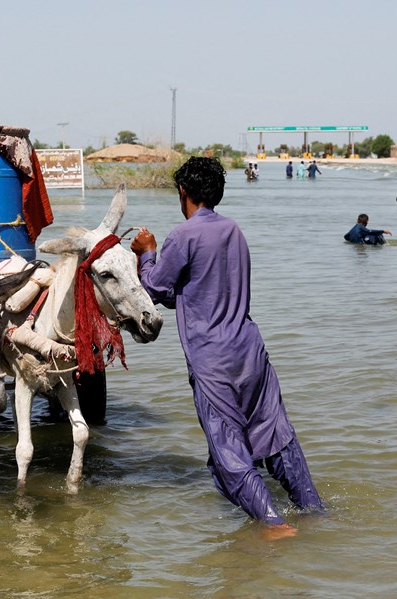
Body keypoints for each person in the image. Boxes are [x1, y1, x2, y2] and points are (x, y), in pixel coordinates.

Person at [130, 157, 323, 539]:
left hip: (212, 358)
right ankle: (313, 510)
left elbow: (152, 289)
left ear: (183, 192)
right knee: (277, 436)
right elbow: (191, 290)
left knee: (226, 449)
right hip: (251, 351)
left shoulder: (183, 235)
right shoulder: (234, 230)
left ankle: (273, 523)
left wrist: (146, 252)